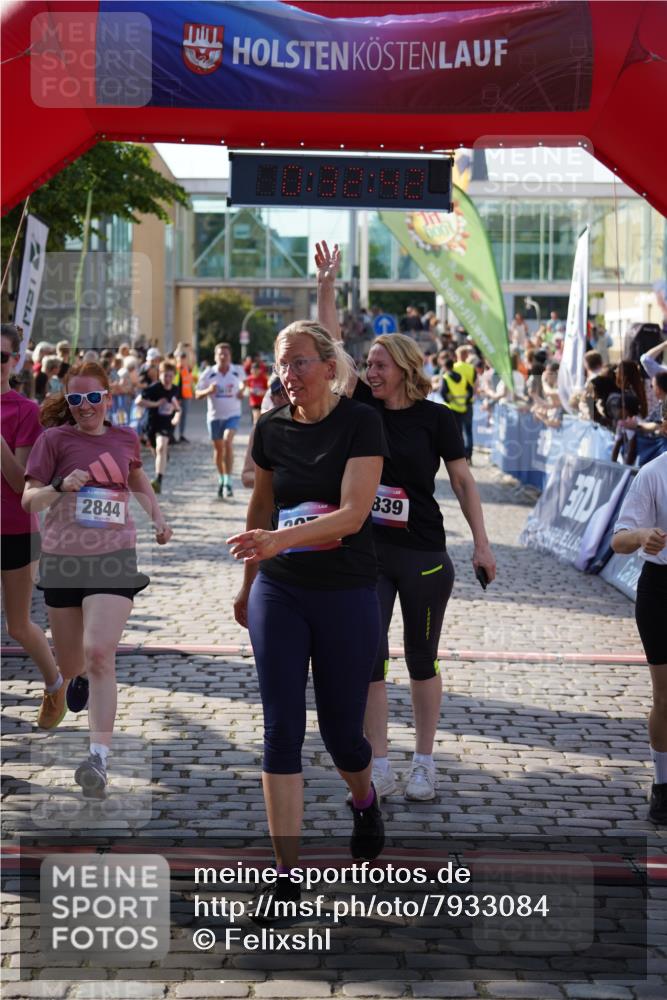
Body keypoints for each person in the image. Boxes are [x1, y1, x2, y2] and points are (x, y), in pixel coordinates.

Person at [316, 241, 496, 801]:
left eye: (379, 365)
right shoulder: (359, 409)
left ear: (405, 369)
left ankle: (424, 761)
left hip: (421, 554)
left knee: (421, 658)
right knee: (370, 659)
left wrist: (483, 546)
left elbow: (464, 482)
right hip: (366, 552)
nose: (369, 371)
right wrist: (327, 284)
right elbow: (329, 346)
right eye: (366, 365)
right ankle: (381, 762)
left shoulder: (437, 420)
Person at [228, 320, 388, 914]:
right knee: (281, 729)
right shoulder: (270, 428)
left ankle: (365, 800)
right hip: (281, 591)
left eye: (299, 362)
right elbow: (261, 505)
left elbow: (351, 515)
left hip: (346, 591)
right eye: (281, 364)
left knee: (343, 736)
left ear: (328, 366)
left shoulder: (361, 422)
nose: (288, 374)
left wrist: (279, 540)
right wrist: (250, 581)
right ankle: (286, 875)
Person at [22, 361, 172, 797]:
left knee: (99, 651)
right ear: (67, 403)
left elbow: (137, 476)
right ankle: (80, 678)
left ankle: (98, 758)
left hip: (114, 559)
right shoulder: (53, 440)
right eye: (75, 399)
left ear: (108, 398)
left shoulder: (124, 437)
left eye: (93, 398)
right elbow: (30, 500)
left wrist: (158, 519)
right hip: (64, 561)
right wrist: (61, 486)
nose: (85, 406)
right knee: (73, 667)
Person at [1, 324, 64, 728]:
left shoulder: (23, 410)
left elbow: (20, 480)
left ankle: (55, 685)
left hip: (15, 528)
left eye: (1, 356)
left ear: (15, 361)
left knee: (19, 624)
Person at [611, 452, 667, 824]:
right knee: (665, 695)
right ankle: (663, 786)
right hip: (661, 589)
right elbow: (619, 540)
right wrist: (643, 535)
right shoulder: (653, 473)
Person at [196, 342, 245, 499]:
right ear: (215, 356)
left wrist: (243, 391)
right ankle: (222, 477)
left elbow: (244, 385)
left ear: (230, 356)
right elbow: (196, 394)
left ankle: (229, 481)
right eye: (220, 354)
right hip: (214, 417)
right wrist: (208, 391)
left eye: (226, 354)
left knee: (227, 442)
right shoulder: (209, 373)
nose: (223, 357)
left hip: (233, 414)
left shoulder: (237, 371)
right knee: (218, 450)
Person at [140, 360, 181, 493]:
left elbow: (178, 409)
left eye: (170, 376)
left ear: (174, 376)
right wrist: (156, 404)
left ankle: (158, 481)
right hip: (151, 424)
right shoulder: (154, 388)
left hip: (166, 423)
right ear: (160, 375)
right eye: (165, 375)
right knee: (157, 450)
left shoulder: (175, 389)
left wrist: (176, 417)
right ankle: (162, 455)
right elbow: (139, 401)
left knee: (161, 447)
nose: (167, 379)